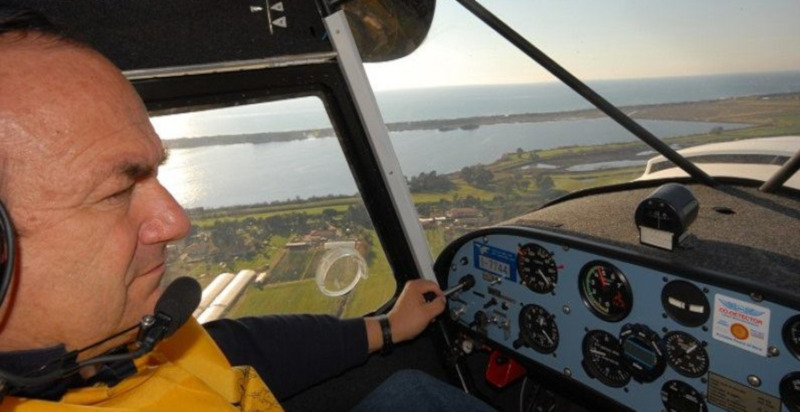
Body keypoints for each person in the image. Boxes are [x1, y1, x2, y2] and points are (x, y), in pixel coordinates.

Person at [0, 6, 494, 412]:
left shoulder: (115, 344)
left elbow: (234, 349)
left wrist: (386, 326)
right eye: (115, 192)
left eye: (152, 174)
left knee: (410, 392)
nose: (177, 221)